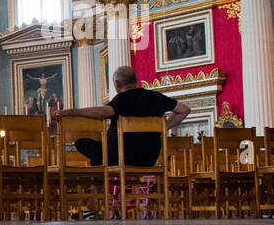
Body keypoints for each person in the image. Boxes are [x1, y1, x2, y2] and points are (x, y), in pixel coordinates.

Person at [51, 65, 191, 167]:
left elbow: (104, 113)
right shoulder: (157, 97)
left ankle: (100, 197)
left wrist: (71, 112)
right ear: (135, 80)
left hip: (122, 156)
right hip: (149, 157)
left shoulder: (122, 99)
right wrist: (163, 127)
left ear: (116, 84)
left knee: (83, 144)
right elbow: (184, 110)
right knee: (99, 154)